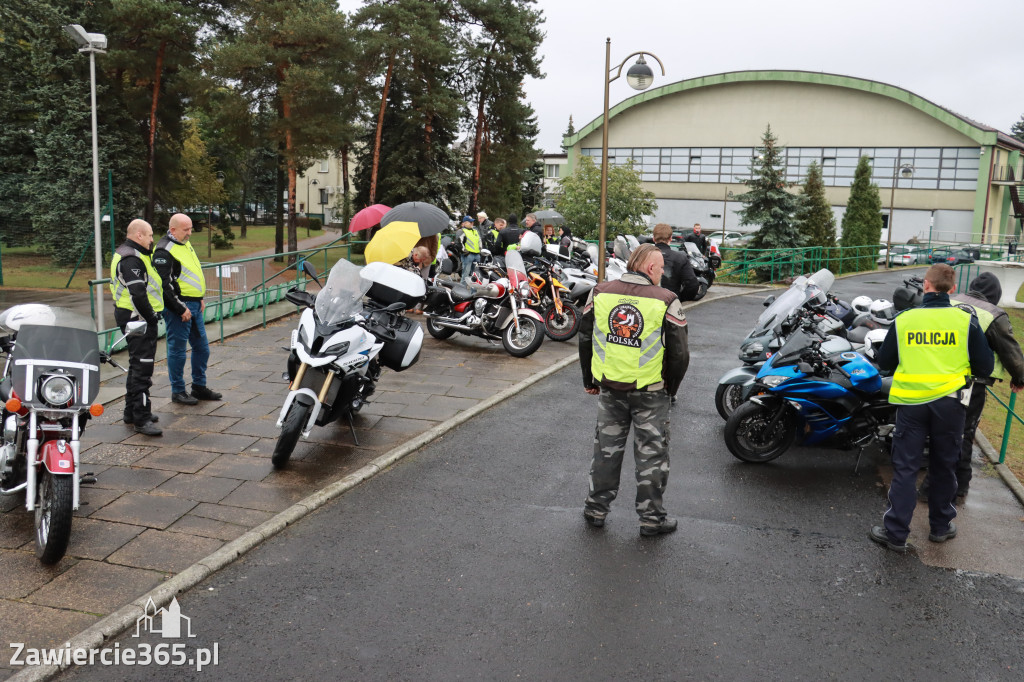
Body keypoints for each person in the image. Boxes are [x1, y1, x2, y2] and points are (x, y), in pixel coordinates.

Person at [869, 264, 993, 553]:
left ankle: (896, 534)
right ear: (951, 290)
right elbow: (985, 366)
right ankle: (940, 527)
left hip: (911, 404)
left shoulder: (905, 319)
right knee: (944, 465)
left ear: (925, 285)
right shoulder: (966, 321)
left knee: (905, 468)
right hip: (950, 404)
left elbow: (885, 363)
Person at [578, 243, 690, 536]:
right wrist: (671, 387)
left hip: (610, 388)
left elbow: (585, 337)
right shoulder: (666, 299)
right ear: (651, 268)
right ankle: (652, 520)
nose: (663, 272)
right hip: (651, 392)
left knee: (606, 450)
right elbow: (679, 353)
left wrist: (589, 379)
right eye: (661, 268)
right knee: (651, 455)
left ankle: (595, 510)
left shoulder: (599, 292)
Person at [917, 271, 1024, 500]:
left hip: (935, 377)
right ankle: (947, 489)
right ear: (995, 294)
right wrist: (1020, 378)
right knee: (962, 433)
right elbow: (1010, 351)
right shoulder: (994, 314)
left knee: (939, 430)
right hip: (970, 384)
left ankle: (953, 483)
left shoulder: (951, 301)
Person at [152, 213, 222, 406]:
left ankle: (199, 386)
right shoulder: (163, 251)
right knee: (178, 350)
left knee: (202, 348)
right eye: (186, 230)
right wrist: (179, 308)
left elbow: (189, 272)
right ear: (173, 229)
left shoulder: (184, 243)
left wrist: (199, 297)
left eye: (190, 228)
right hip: (179, 307)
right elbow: (164, 285)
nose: (190, 233)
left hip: (194, 304)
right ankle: (178, 391)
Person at [110, 219, 164, 436]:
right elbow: (139, 294)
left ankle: (131, 412)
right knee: (142, 368)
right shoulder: (131, 258)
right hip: (137, 318)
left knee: (136, 365)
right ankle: (141, 419)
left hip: (134, 317)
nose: (152, 240)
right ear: (139, 235)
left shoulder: (129, 253)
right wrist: (151, 318)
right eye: (150, 235)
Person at [651, 223, 699, 301]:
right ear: (670, 238)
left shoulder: (644, 257)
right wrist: (679, 298)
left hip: (647, 303)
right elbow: (692, 285)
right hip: (670, 302)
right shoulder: (680, 258)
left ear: (653, 238)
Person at [457, 215, 481, 284]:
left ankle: (473, 292)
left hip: (476, 255)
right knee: (465, 275)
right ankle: (462, 292)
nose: (472, 223)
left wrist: (480, 250)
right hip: (468, 256)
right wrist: (466, 253)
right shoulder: (462, 231)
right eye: (470, 222)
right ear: (464, 223)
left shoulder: (475, 231)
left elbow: (480, 242)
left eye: (472, 222)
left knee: (475, 276)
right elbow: (458, 243)